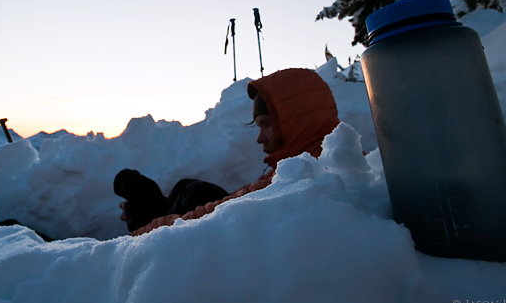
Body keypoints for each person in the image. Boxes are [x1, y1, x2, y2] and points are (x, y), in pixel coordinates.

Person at [114, 68, 340, 236]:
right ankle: (154, 205)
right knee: (188, 189)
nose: (260, 138)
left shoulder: (305, 174)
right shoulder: (322, 157)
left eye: (267, 124)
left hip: (211, 235)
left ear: (296, 122)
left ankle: (147, 210)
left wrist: (144, 231)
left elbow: (212, 216)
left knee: (192, 195)